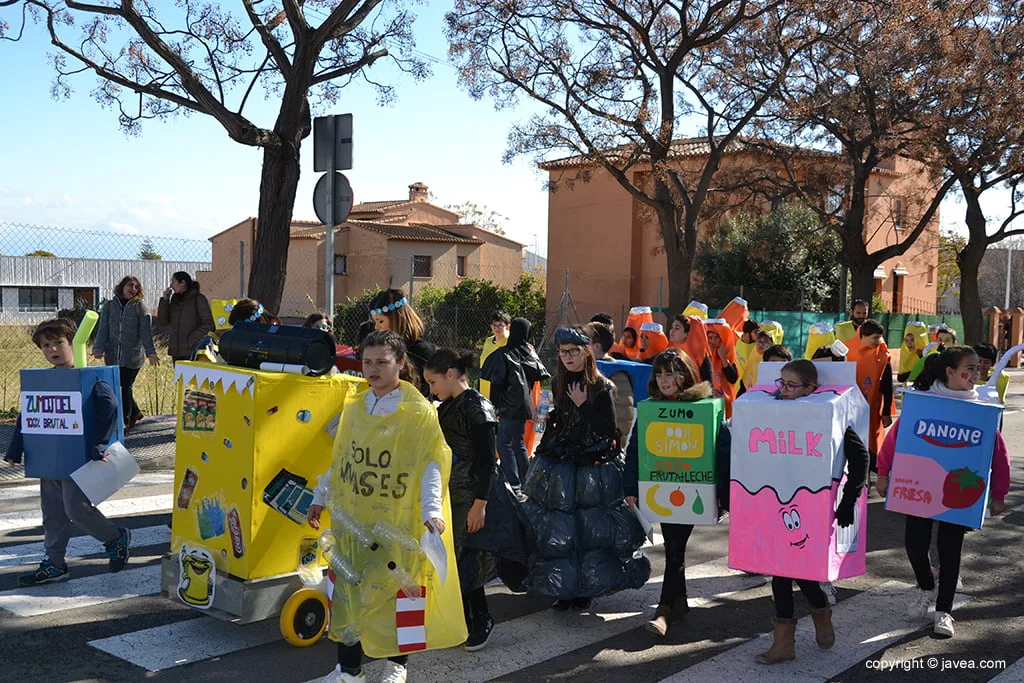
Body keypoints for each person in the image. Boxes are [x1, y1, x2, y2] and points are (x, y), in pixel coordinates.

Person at [309, 330, 465, 683]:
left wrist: (431, 512)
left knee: (400, 593)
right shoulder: (354, 408)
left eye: (382, 362)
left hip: (396, 524)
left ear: (400, 363)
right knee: (348, 593)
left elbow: (429, 465)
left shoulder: (418, 413)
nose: (373, 369)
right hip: (352, 522)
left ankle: (398, 667)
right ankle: (349, 671)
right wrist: (320, 497)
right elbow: (342, 462)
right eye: (367, 362)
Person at [875, 347, 1010, 639]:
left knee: (950, 553)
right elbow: (894, 441)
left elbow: (998, 455)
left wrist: (999, 492)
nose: (977, 374)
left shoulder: (981, 409)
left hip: (960, 494)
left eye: (979, 368)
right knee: (914, 545)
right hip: (920, 490)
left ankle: (943, 611)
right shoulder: (923, 404)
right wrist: (883, 473)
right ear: (950, 372)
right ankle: (926, 587)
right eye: (970, 368)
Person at [525, 327, 648, 611]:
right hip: (562, 465)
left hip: (592, 471)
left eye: (573, 351)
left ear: (586, 351)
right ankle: (566, 589)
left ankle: (585, 589)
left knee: (589, 531)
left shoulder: (602, 386)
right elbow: (562, 418)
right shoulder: (559, 381)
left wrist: (583, 406)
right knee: (561, 530)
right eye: (562, 352)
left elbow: (609, 430)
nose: (567, 356)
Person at [4, 318, 132, 585]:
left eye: (59, 343)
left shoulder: (87, 377)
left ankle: (114, 537)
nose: (52, 349)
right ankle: (54, 563)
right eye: (46, 345)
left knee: (76, 509)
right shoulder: (43, 380)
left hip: (79, 458)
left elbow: (109, 405)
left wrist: (99, 443)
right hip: (49, 457)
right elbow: (29, 413)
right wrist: (15, 447)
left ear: (73, 344)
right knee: (52, 513)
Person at [756, 359, 868, 664]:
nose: (785, 391)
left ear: (810, 389)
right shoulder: (772, 413)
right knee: (780, 574)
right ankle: (784, 644)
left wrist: (847, 502)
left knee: (803, 574)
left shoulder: (829, 417)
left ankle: (820, 614)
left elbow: (860, 461)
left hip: (812, 510)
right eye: (782, 383)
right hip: (777, 506)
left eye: (793, 385)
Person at [623, 349, 731, 636]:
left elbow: (722, 449)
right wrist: (630, 487)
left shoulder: (705, 407)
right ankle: (679, 601)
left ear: (686, 374)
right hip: (661, 488)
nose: (663, 380)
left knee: (674, 548)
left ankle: (664, 610)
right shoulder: (650, 407)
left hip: (694, 489)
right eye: (658, 375)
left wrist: (721, 492)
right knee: (674, 547)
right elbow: (634, 449)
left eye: (670, 374)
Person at [423, 349, 498, 652]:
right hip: (448, 493)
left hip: (469, 495)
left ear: (451, 374)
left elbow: (488, 461)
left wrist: (480, 503)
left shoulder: (478, 407)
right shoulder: (449, 405)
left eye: (433, 382)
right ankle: (463, 620)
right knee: (453, 559)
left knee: (469, 559)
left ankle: (481, 619)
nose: (431, 389)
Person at [480, 318, 551, 496]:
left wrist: (493, 408)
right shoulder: (528, 352)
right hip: (523, 405)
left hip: (508, 406)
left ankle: (514, 482)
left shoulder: (503, 354)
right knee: (517, 442)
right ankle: (526, 480)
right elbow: (538, 375)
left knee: (504, 443)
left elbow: (496, 383)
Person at [92, 275, 159, 430]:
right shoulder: (109, 306)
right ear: (122, 287)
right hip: (113, 355)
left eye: (136, 287)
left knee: (125, 387)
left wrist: (151, 352)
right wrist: (98, 347)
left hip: (133, 356)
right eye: (130, 285)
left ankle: (126, 421)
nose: (133, 289)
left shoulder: (139, 306)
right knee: (117, 386)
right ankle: (135, 412)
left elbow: (145, 332)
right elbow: (103, 329)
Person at [846, 319, 894, 467]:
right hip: (850, 409)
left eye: (879, 337)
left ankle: (874, 476)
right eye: (874, 337)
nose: (878, 341)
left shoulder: (882, 354)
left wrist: (886, 411)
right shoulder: (846, 352)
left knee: (872, 445)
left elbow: (887, 385)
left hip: (873, 409)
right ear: (863, 336)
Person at [369, 289, 435, 393]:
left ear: (397, 319)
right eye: (374, 322)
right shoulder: (381, 350)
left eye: (380, 321)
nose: (376, 327)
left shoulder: (421, 351)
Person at [586, 321, 636, 443]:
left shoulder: (616, 374)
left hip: (607, 445)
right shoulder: (597, 368)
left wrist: (616, 443)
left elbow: (623, 415)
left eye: (585, 340)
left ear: (596, 346)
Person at [157, 271, 214, 363]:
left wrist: (192, 339)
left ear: (183, 282)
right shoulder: (175, 300)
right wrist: (165, 301)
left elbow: (209, 324)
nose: (171, 285)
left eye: (173, 282)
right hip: (177, 351)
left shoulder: (198, 299)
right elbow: (163, 321)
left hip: (192, 350)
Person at [704, 319, 739, 417]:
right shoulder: (701, 356)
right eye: (710, 338)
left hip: (725, 404)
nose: (713, 341)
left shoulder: (728, 355)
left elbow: (733, 378)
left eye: (716, 338)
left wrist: (723, 358)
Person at [479, 310, 511, 400]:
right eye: (494, 325)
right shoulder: (488, 341)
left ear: (508, 326)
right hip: (485, 384)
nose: (497, 328)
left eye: (500, 325)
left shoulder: (511, 341)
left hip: (501, 386)